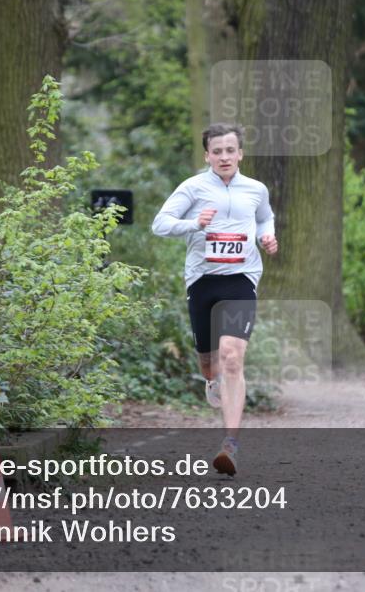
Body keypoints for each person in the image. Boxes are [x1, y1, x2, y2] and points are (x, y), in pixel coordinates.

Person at [151, 123, 278, 476]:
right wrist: (194, 223)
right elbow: (159, 224)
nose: (224, 156)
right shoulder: (193, 187)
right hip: (202, 281)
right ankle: (210, 380)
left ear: (241, 154)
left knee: (232, 357)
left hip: (241, 280)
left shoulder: (256, 189)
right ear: (207, 155)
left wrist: (268, 237)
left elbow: (265, 217)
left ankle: (230, 444)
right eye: (216, 151)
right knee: (210, 364)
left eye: (230, 150)